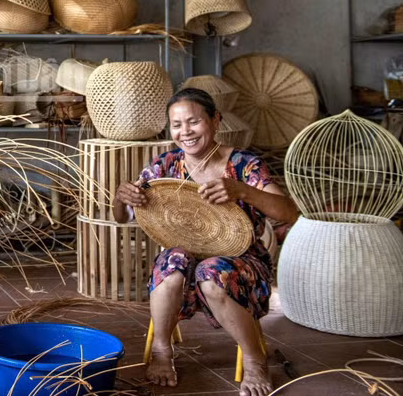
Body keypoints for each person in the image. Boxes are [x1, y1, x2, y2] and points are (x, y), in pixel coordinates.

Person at [113, 88, 299, 396]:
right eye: (176, 124)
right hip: (185, 256)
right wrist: (121, 196)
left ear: (215, 120)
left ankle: (255, 362)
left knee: (211, 274)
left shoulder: (243, 165)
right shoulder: (166, 165)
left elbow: (289, 212)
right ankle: (162, 350)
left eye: (194, 121)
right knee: (173, 261)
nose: (185, 131)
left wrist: (242, 191)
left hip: (242, 261)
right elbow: (123, 216)